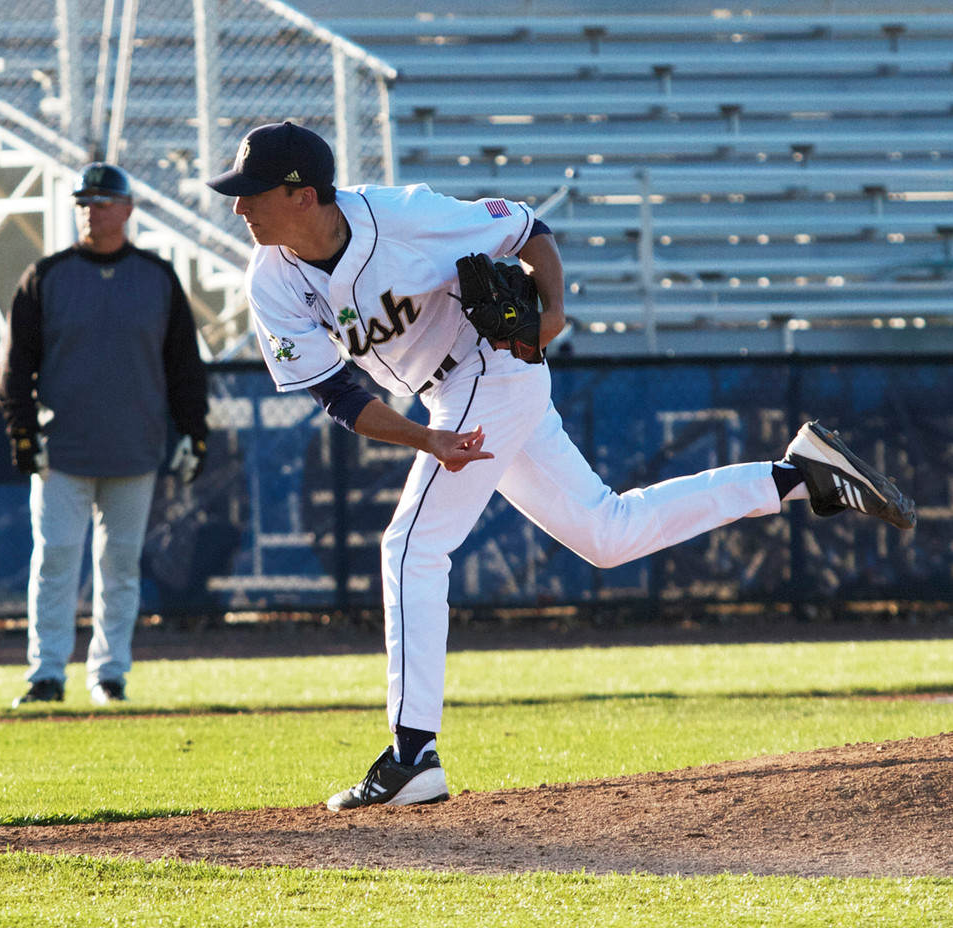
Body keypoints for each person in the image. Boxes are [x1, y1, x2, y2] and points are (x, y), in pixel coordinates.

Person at [205, 122, 916, 811]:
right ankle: (797, 474)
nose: (238, 208)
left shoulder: (404, 216)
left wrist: (553, 310)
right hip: (444, 397)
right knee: (607, 534)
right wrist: (429, 440)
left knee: (411, 549)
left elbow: (526, 227)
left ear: (303, 194)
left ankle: (412, 754)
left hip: (489, 368)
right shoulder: (271, 279)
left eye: (252, 193)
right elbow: (337, 394)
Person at [0, 162, 210, 708]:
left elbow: (184, 366)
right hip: (62, 449)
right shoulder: (46, 276)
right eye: (84, 202)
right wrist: (22, 430)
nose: (92, 210)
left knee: (120, 567)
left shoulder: (157, 277)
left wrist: (194, 430)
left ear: (128, 208)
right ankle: (46, 673)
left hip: (135, 449)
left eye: (103, 201)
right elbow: (15, 366)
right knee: (55, 561)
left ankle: (110, 675)